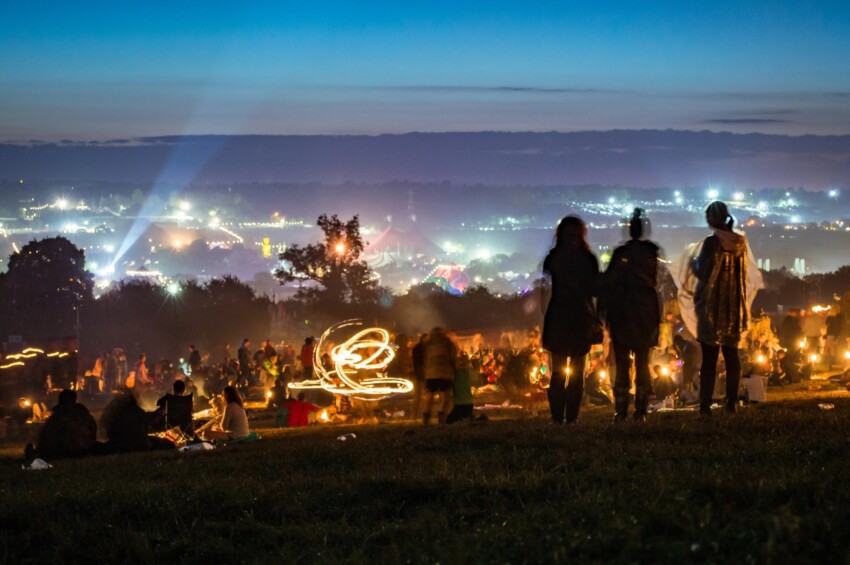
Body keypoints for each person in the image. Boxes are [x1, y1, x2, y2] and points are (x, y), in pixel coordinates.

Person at [692, 201, 761, 416]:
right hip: (733, 306)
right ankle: (731, 403)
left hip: (712, 307)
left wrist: (692, 264)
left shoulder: (712, 243)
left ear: (712, 219)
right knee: (732, 357)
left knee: (709, 359)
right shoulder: (740, 242)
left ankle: (705, 406)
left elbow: (703, 272)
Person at [602, 208, 661, 421]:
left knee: (622, 364)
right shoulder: (651, 253)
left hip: (622, 313)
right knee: (642, 362)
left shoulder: (621, 254)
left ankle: (621, 409)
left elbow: (608, 282)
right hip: (645, 313)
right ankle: (641, 409)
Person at [542, 215, 600, 424]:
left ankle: (557, 416)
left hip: (558, 316)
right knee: (577, 371)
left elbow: (545, 287)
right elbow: (595, 289)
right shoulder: (588, 260)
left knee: (558, 371)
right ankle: (572, 416)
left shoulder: (554, 258)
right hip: (580, 318)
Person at [25, 389, 97, 460]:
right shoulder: (85, 415)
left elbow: (46, 437)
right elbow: (93, 432)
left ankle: (35, 454)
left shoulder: (58, 417)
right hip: (85, 450)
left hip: (64, 451)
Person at [422, 327, 457, 425]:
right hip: (444, 373)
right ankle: (441, 419)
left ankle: (426, 421)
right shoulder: (448, 344)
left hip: (430, 374)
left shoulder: (428, 345)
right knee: (445, 398)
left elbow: (425, 359)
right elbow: (453, 357)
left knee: (429, 398)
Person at [446, 352, 474, 424]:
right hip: (466, 403)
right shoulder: (467, 371)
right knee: (464, 420)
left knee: (449, 420)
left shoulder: (456, 373)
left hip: (461, 404)